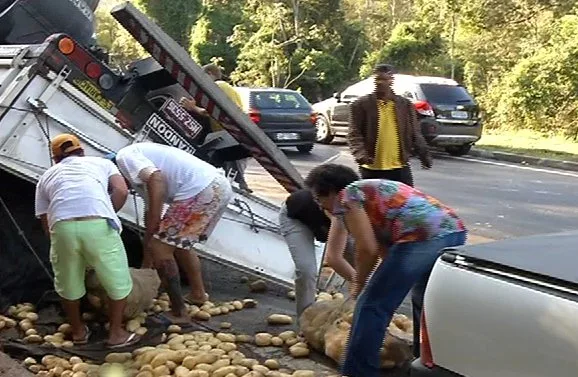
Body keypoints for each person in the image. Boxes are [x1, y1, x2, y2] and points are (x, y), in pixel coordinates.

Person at [304, 163, 467, 377]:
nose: (320, 206)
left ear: (333, 191)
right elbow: (382, 248)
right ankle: (426, 362)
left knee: (371, 306)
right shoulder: (369, 193)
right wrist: (381, 277)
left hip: (421, 236)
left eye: (319, 198)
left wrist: (360, 284)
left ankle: (359, 371)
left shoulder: (348, 197)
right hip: (453, 231)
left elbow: (366, 250)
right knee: (425, 300)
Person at [107, 142, 233, 326]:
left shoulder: (124, 157)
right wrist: (146, 262)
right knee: (177, 243)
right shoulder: (140, 172)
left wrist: (153, 236)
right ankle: (198, 294)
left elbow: (156, 179)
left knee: (160, 248)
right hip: (217, 186)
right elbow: (150, 209)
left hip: (200, 189)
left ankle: (179, 312)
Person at [35, 134, 140, 348]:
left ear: (56, 159)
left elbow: (45, 219)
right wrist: (107, 212)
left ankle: (78, 333)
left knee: (67, 283)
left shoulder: (46, 176)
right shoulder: (100, 162)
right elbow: (121, 190)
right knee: (117, 279)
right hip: (97, 223)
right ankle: (116, 334)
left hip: (62, 227)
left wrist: (60, 244)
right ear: (81, 151)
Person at [348, 63, 432, 187]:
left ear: (391, 80)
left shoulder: (405, 105)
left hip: (399, 167)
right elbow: (354, 133)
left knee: (405, 204)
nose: (380, 82)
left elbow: (415, 132)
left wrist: (424, 155)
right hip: (371, 168)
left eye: (384, 79)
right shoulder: (361, 105)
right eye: (377, 79)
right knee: (374, 205)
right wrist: (361, 154)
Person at [279, 189, 355, 317]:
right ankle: (305, 321)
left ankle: (355, 315)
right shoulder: (332, 207)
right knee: (306, 270)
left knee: (360, 266)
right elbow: (334, 258)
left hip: (336, 220)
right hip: (298, 218)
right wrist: (360, 280)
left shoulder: (360, 213)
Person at [181, 63, 252, 192]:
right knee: (228, 165)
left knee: (230, 165)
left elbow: (215, 109)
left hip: (229, 133)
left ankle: (240, 185)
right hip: (232, 133)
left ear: (209, 74)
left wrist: (193, 108)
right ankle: (239, 185)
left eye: (203, 76)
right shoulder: (226, 87)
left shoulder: (219, 86)